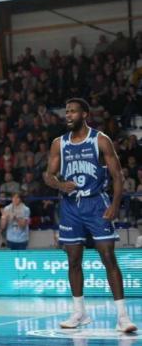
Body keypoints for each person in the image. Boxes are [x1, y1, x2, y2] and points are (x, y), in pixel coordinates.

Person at [44, 98, 137, 332]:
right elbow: (48, 175)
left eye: (73, 112)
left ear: (85, 114)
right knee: (73, 260)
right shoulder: (59, 143)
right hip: (70, 208)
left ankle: (123, 317)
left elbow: (117, 176)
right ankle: (79, 313)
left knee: (108, 257)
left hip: (96, 204)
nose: (68, 115)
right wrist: (58, 185)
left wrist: (115, 204)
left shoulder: (100, 140)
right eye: (66, 112)